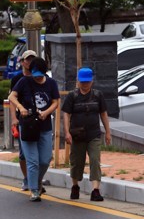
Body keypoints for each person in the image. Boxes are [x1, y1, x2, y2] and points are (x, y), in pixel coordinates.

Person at [8, 56, 60, 202]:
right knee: (32, 161)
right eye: (34, 75)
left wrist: (46, 112)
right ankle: (34, 190)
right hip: (28, 126)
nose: (37, 79)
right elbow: (12, 96)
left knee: (45, 159)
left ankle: (36, 181)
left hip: (44, 125)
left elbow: (56, 101)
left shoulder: (51, 83)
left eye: (39, 76)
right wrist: (21, 108)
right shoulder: (24, 81)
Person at [62, 67, 111, 202]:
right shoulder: (72, 96)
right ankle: (75, 186)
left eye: (87, 82)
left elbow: (103, 114)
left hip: (94, 134)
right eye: (82, 82)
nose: (85, 84)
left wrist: (108, 132)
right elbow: (66, 114)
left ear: (92, 81)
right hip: (77, 135)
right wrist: (66, 132)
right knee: (77, 162)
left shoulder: (98, 95)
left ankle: (95, 190)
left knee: (95, 160)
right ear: (78, 81)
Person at [8, 49, 37, 190]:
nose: (30, 62)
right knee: (23, 153)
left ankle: (36, 178)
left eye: (33, 59)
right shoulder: (17, 79)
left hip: (39, 120)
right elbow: (12, 99)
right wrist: (14, 118)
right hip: (23, 120)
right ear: (22, 62)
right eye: (28, 59)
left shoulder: (40, 77)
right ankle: (27, 178)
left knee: (40, 151)